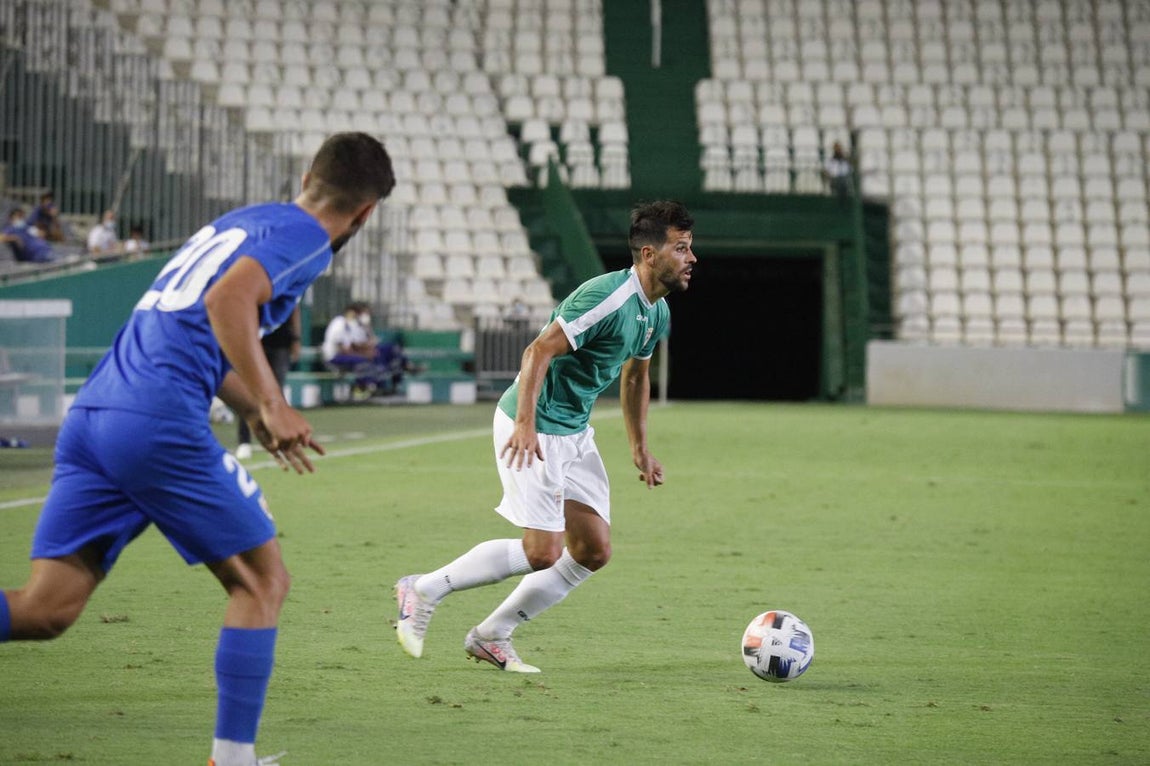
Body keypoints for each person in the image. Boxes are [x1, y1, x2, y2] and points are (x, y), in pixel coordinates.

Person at [0, 132, 395, 766]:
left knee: (46, 609)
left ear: (305, 176)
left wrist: (247, 406)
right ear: (366, 213)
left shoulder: (239, 223)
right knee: (263, 582)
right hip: (157, 422)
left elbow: (194, 326)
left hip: (97, 414)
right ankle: (232, 760)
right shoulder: (307, 239)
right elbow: (227, 301)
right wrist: (272, 401)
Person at [394, 200, 696, 673]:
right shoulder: (606, 297)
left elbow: (636, 378)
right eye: (681, 248)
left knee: (593, 549)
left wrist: (639, 448)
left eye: (690, 247)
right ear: (648, 254)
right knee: (542, 552)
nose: (691, 258)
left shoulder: (655, 312)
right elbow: (537, 351)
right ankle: (424, 588)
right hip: (534, 425)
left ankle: (492, 634)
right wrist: (525, 424)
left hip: (574, 431)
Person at [236, 306, 301, 460]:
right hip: (254, 341)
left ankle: (280, 441)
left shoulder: (285, 283)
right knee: (248, 393)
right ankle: (244, 441)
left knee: (277, 394)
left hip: (281, 342)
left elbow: (294, 308)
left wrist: (296, 339)